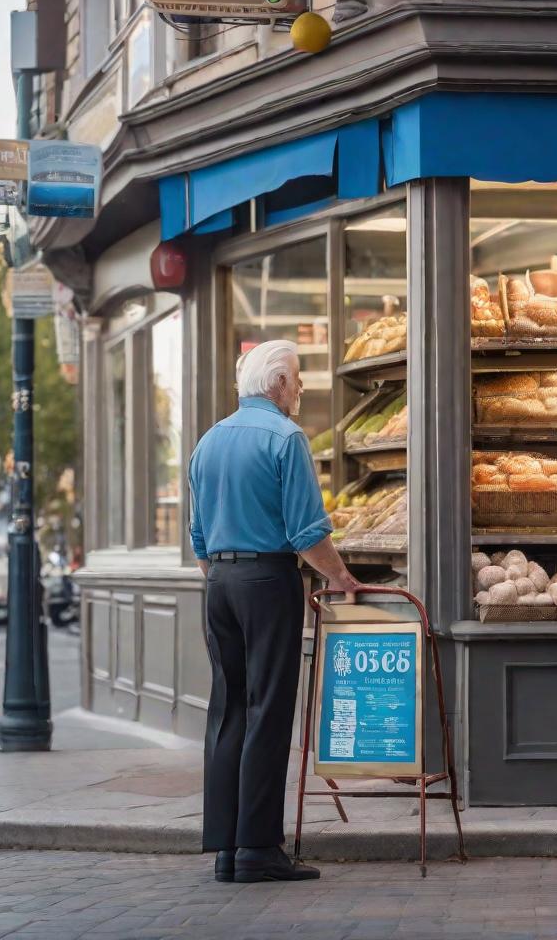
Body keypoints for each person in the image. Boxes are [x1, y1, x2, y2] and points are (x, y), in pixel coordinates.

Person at [189, 339, 361, 885]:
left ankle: (226, 849)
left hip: (218, 581)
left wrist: (223, 574)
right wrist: (340, 576)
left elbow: (196, 535)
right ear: (278, 383)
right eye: (298, 379)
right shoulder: (285, 438)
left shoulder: (208, 441)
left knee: (229, 709)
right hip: (267, 579)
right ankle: (259, 848)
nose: (302, 388)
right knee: (267, 711)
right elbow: (308, 533)